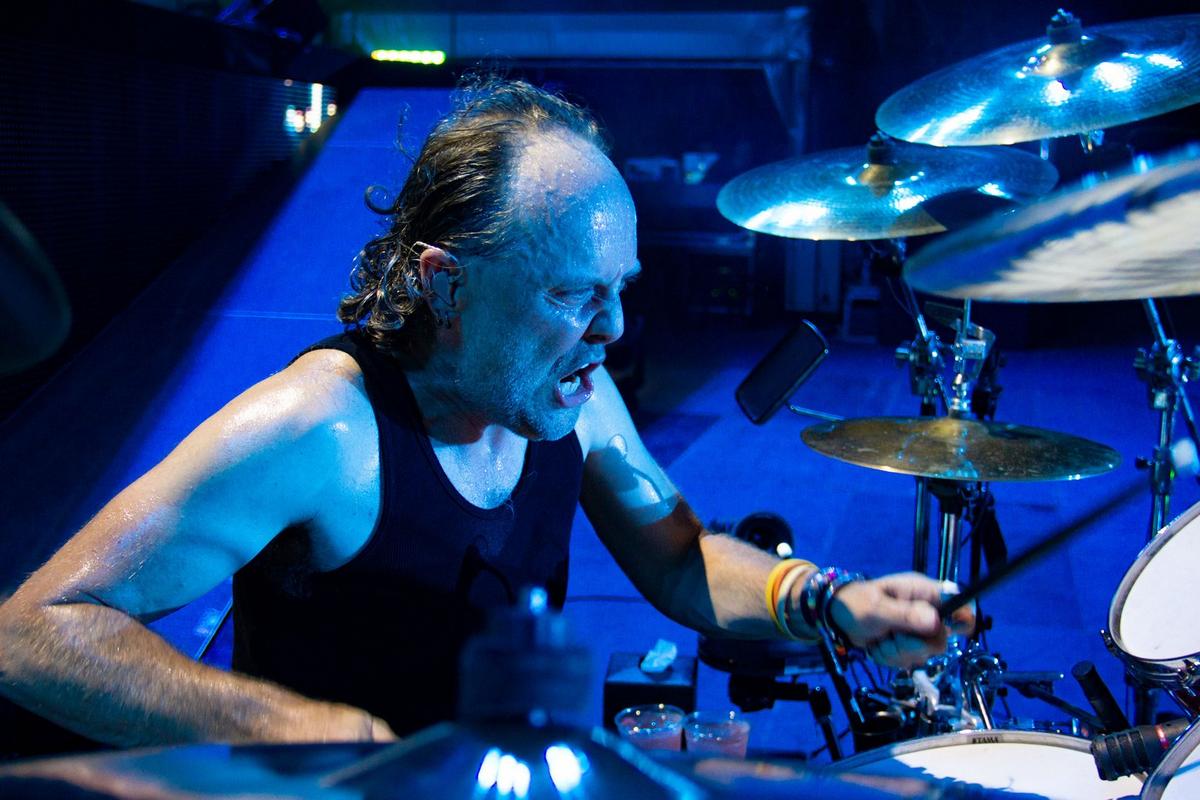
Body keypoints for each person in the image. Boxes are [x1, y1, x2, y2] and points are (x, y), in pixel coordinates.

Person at [0, 77, 971, 748]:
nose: (613, 328)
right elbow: (33, 629)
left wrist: (828, 598)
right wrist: (289, 725)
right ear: (446, 282)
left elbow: (680, 558)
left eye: (621, 288)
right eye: (573, 294)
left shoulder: (575, 397)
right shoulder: (321, 427)